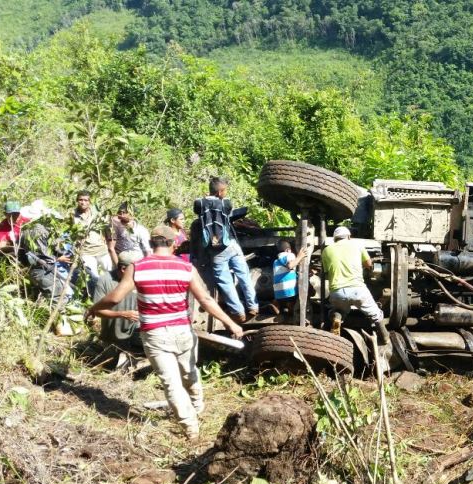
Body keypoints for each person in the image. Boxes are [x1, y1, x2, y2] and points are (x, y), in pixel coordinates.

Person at [87, 225, 244, 439]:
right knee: (189, 372)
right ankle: (197, 408)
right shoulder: (186, 268)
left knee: (171, 382)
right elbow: (205, 299)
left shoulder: (137, 267)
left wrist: (93, 308)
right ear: (174, 244)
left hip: (155, 333)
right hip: (183, 331)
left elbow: (114, 298)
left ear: (151, 244)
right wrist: (230, 323)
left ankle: (191, 428)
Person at [194, 176, 258, 322]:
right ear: (221, 191)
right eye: (225, 191)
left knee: (225, 281)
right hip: (230, 245)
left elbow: (197, 209)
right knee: (244, 275)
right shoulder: (226, 203)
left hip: (215, 250)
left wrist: (206, 198)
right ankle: (253, 306)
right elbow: (229, 212)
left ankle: (238, 311)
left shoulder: (200, 203)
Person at [322, 226, 390, 343]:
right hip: (357, 290)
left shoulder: (326, 250)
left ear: (335, 239)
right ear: (349, 236)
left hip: (337, 292)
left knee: (338, 310)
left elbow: (326, 272)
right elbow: (369, 264)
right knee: (376, 315)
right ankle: (384, 338)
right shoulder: (357, 245)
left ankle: (337, 319)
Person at [92, 251, 141, 350]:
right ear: (123, 269)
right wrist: (122, 314)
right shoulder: (105, 280)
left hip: (136, 336)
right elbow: (97, 311)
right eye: (137, 269)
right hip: (112, 339)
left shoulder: (140, 279)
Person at [22, 222, 74, 309]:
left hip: (38, 270)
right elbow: (43, 255)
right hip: (44, 270)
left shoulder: (25, 232)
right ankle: (58, 316)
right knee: (59, 297)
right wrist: (58, 259)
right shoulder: (39, 231)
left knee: (58, 295)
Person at [72, 191, 111, 294]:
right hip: (86, 252)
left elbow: (108, 229)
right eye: (80, 200)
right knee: (93, 277)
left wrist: (110, 245)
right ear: (77, 200)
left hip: (102, 249)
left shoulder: (98, 214)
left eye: (86, 200)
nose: (83, 202)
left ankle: (113, 293)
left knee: (110, 273)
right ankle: (99, 296)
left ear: (90, 202)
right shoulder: (72, 216)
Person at [271, 239, 312, 318]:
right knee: (301, 293)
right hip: (289, 292)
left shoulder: (275, 261)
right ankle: (290, 308)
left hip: (278, 293)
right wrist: (300, 256)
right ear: (288, 250)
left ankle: (277, 304)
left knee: (284, 299)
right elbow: (290, 265)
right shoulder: (289, 255)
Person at [106, 202, 150, 266]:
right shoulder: (113, 227)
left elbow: (147, 250)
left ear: (132, 215)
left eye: (125, 212)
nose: (121, 214)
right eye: (120, 212)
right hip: (121, 261)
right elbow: (111, 248)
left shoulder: (141, 230)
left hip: (137, 261)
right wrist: (118, 267)